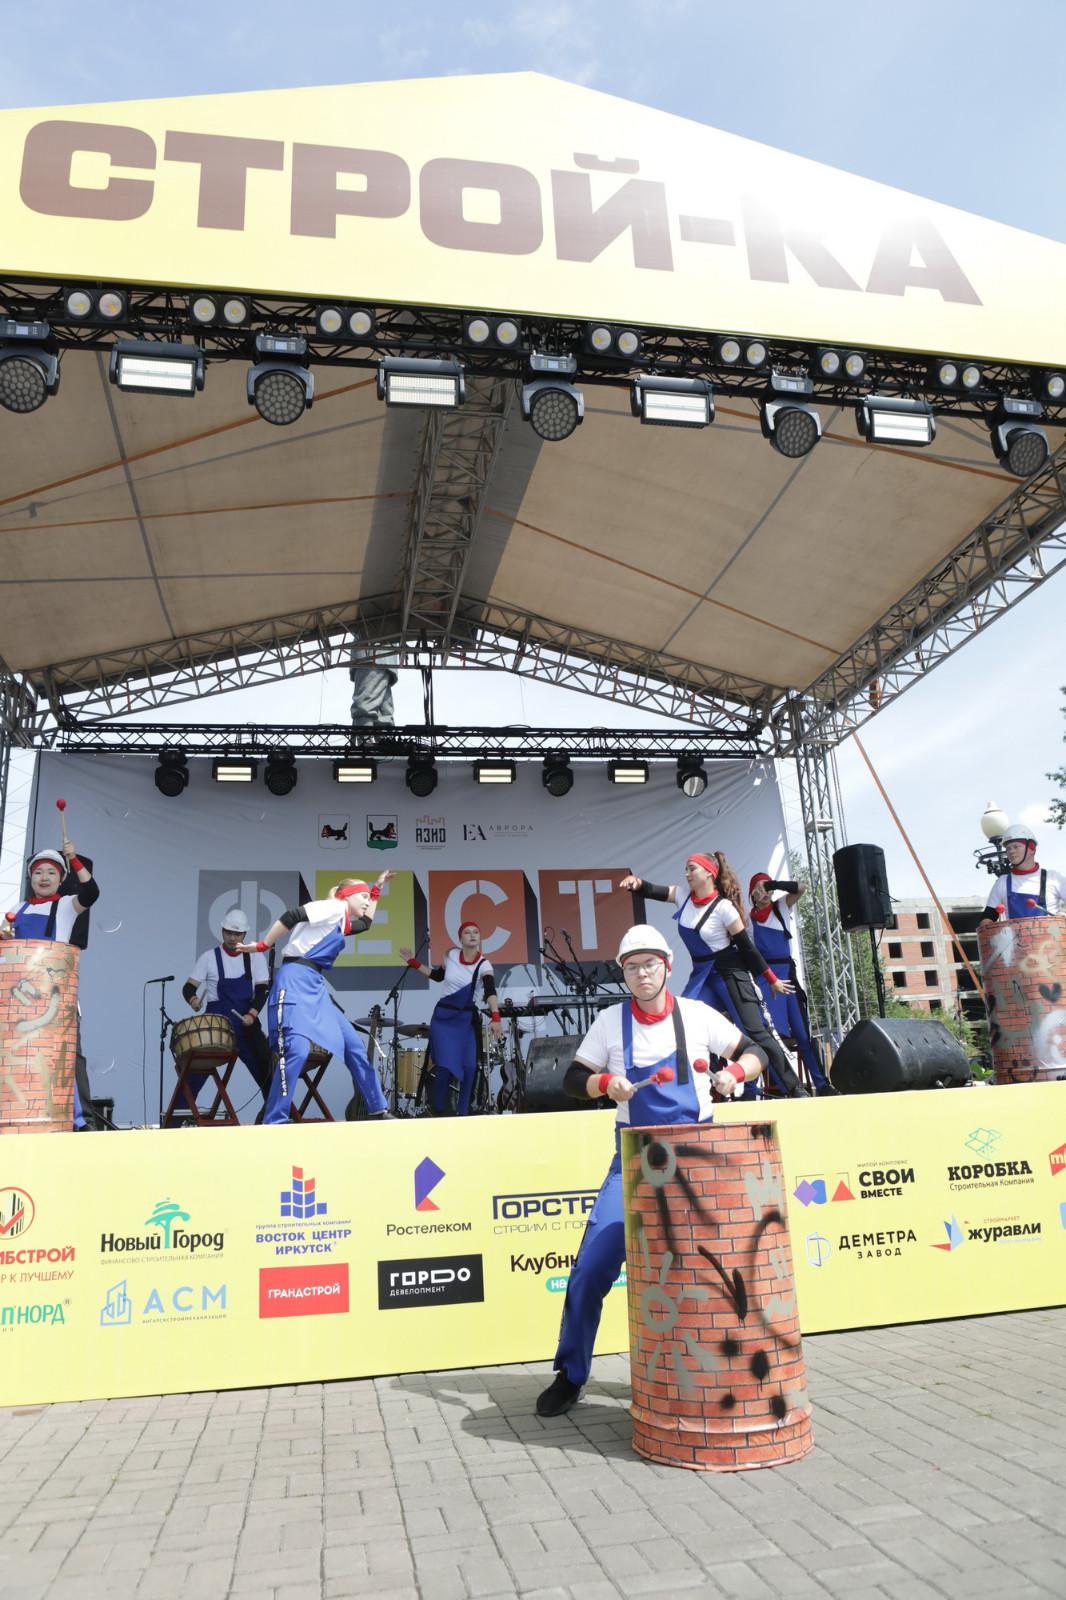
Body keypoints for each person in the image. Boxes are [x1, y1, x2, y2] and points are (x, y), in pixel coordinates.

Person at [535, 924, 767, 1418]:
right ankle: (571, 1374)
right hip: (635, 1162)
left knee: (717, 1273)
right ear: (624, 973)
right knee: (590, 1269)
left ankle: (724, 1373)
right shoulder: (608, 1022)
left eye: (650, 964)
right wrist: (604, 1083)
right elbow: (573, 1080)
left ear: (667, 966)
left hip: (698, 1162)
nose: (642, 974)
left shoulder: (698, 1015)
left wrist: (734, 1074)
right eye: (632, 966)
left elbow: (757, 1052)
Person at [619, 854, 810, 1098]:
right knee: (681, 1023)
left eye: (692, 869)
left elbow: (748, 949)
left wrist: (771, 979)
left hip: (730, 974)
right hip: (703, 976)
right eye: (686, 869)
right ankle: (697, 1089)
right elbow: (652, 890)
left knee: (755, 1031)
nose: (687, 874)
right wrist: (637, 884)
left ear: (709, 872)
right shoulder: (682, 896)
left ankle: (794, 1088)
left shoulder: (724, 908)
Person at [239, 873, 394, 1124]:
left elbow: (366, 924)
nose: (367, 902)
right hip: (294, 980)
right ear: (346, 896)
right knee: (297, 1050)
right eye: (364, 896)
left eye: (369, 898)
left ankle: (377, 1108)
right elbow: (292, 916)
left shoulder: (340, 920)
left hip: (314, 985)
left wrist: (377, 890)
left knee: (354, 1046)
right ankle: (275, 1119)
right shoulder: (331, 908)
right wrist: (263, 945)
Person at [2, 841, 100, 1129]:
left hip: (55, 996)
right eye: (38, 873)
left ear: (60, 878)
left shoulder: (67, 906)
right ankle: (23, 1117)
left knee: (65, 1057)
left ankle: (81, 1122)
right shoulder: (17, 908)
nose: (43, 878)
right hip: (22, 999)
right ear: (30, 878)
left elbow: (92, 893)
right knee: (20, 1054)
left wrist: (74, 859)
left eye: (51, 873)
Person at [400, 922, 503, 1116]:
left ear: (480, 938)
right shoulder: (451, 955)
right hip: (443, 1018)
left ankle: (463, 1113)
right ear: (460, 938)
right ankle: (439, 1110)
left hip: (466, 1019)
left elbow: (490, 991)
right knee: (444, 1067)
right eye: (467, 932)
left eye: (476, 932)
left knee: (470, 1067)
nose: (472, 935)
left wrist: (496, 1016)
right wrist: (413, 962)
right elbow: (437, 976)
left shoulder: (484, 964)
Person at [749, 874, 833, 1094]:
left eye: (768, 888)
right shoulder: (747, 920)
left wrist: (773, 885)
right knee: (770, 1037)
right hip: (766, 979)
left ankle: (822, 1085)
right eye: (759, 888)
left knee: (803, 1035)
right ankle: (783, 1088)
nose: (765, 893)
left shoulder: (781, 907)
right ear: (752, 893)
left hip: (787, 976)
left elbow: (801, 887)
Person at [181, 909, 273, 1108]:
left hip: (245, 1024)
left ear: (244, 934)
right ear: (222, 931)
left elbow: (262, 991)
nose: (232, 938)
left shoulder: (255, 957)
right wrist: (194, 1000)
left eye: (237, 934)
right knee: (195, 1073)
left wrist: (252, 1014)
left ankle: (278, 1117)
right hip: (216, 1025)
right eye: (228, 933)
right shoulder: (209, 957)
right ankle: (176, 1119)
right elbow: (188, 988)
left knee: (266, 1070)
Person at [978, 823, 1066, 926]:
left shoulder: (1053, 878)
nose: (1011, 851)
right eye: (1008, 848)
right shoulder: (1002, 882)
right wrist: (986, 923)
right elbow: (987, 917)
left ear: (1032, 848)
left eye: (1016, 847)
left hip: (1052, 936)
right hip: (1014, 937)